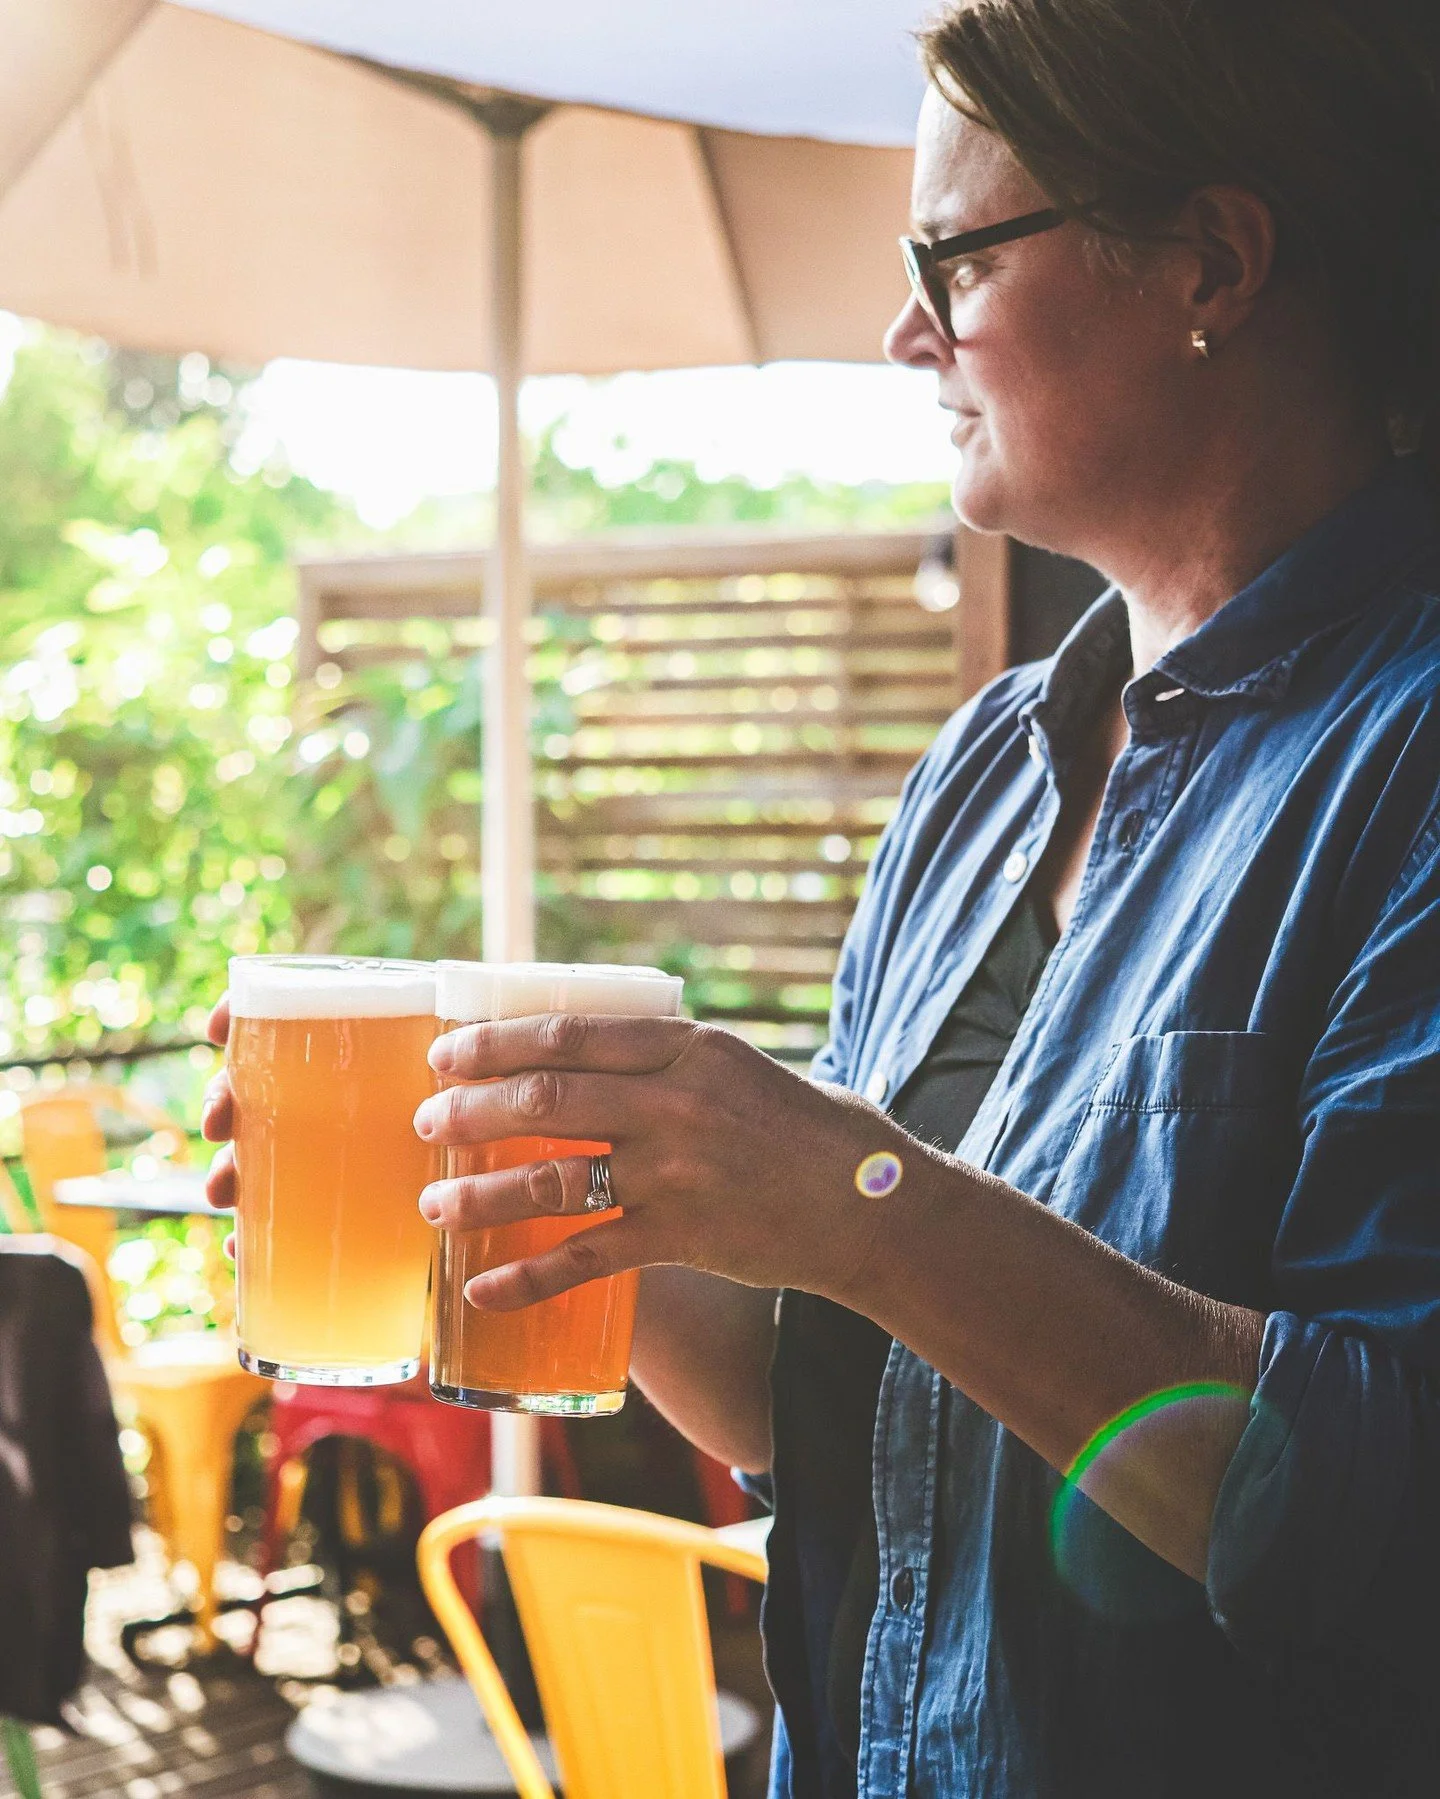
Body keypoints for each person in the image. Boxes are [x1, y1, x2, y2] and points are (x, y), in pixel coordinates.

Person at [206, 1, 1440, 1791]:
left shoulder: (1403, 764)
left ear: (1214, 262)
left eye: (952, 255)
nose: (903, 329)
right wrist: (517, 1201)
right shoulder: (982, 776)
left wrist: (866, 1203)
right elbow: (853, 1413)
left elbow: (1379, 1517)